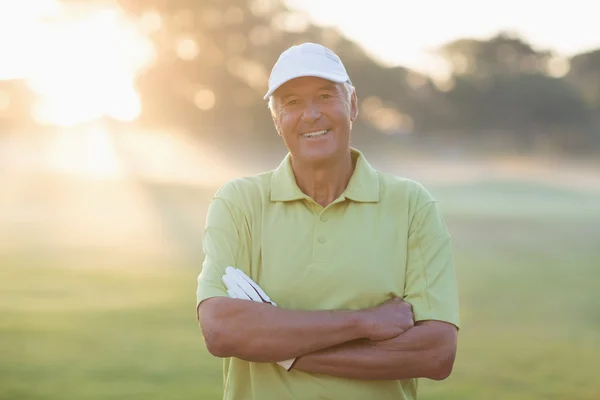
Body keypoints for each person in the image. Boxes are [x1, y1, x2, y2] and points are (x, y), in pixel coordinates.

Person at [196, 42, 460, 400]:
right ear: (276, 120)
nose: (311, 114)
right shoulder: (239, 202)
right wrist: (363, 322)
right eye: (291, 102)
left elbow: (435, 353)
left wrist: (282, 348)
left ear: (352, 106)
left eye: (324, 95)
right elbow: (222, 330)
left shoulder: (412, 204)